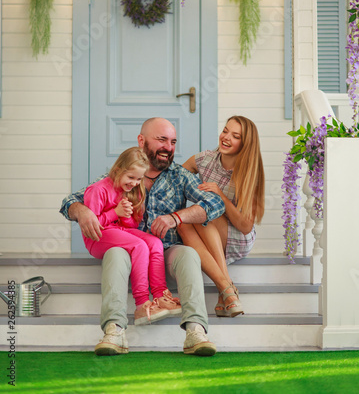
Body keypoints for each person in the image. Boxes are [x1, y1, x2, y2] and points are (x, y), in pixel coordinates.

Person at [60, 117, 225, 356]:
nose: (168, 147)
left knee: (189, 254)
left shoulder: (179, 176)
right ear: (141, 140)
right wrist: (83, 211)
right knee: (116, 253)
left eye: (173, 141)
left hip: (164, 250)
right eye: (161, 139)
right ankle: (114, 330)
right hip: (125, 247)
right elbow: (70, 201)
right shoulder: (120, 175)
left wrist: (176, 217)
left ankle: (195, 330)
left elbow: (215, 203)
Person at [83, 147, 181, 330]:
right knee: (139, 246)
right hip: (97, 237)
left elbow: (129, 227)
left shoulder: (129, 189)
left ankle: (161, 296)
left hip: (117, 232)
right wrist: (115, 212)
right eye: (131, 177)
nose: (135, 183)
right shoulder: (97, 190)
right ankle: (142, 303)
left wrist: (126, 215)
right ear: (118, 170)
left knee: (154, 242)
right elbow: (92, 226)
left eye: (138, 179)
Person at [180, 115, 265, 318]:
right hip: (209, 229)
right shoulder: (205, 159)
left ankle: (224, 287)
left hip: (238, 236)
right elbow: (176, 178)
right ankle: (228, 289)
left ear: (245, 144)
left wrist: (220, 195)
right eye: (225, 130)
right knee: (182, 223)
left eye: (235, 136)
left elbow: (245, 226)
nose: (226, 137)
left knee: (209, 211)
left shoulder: (249, 172)